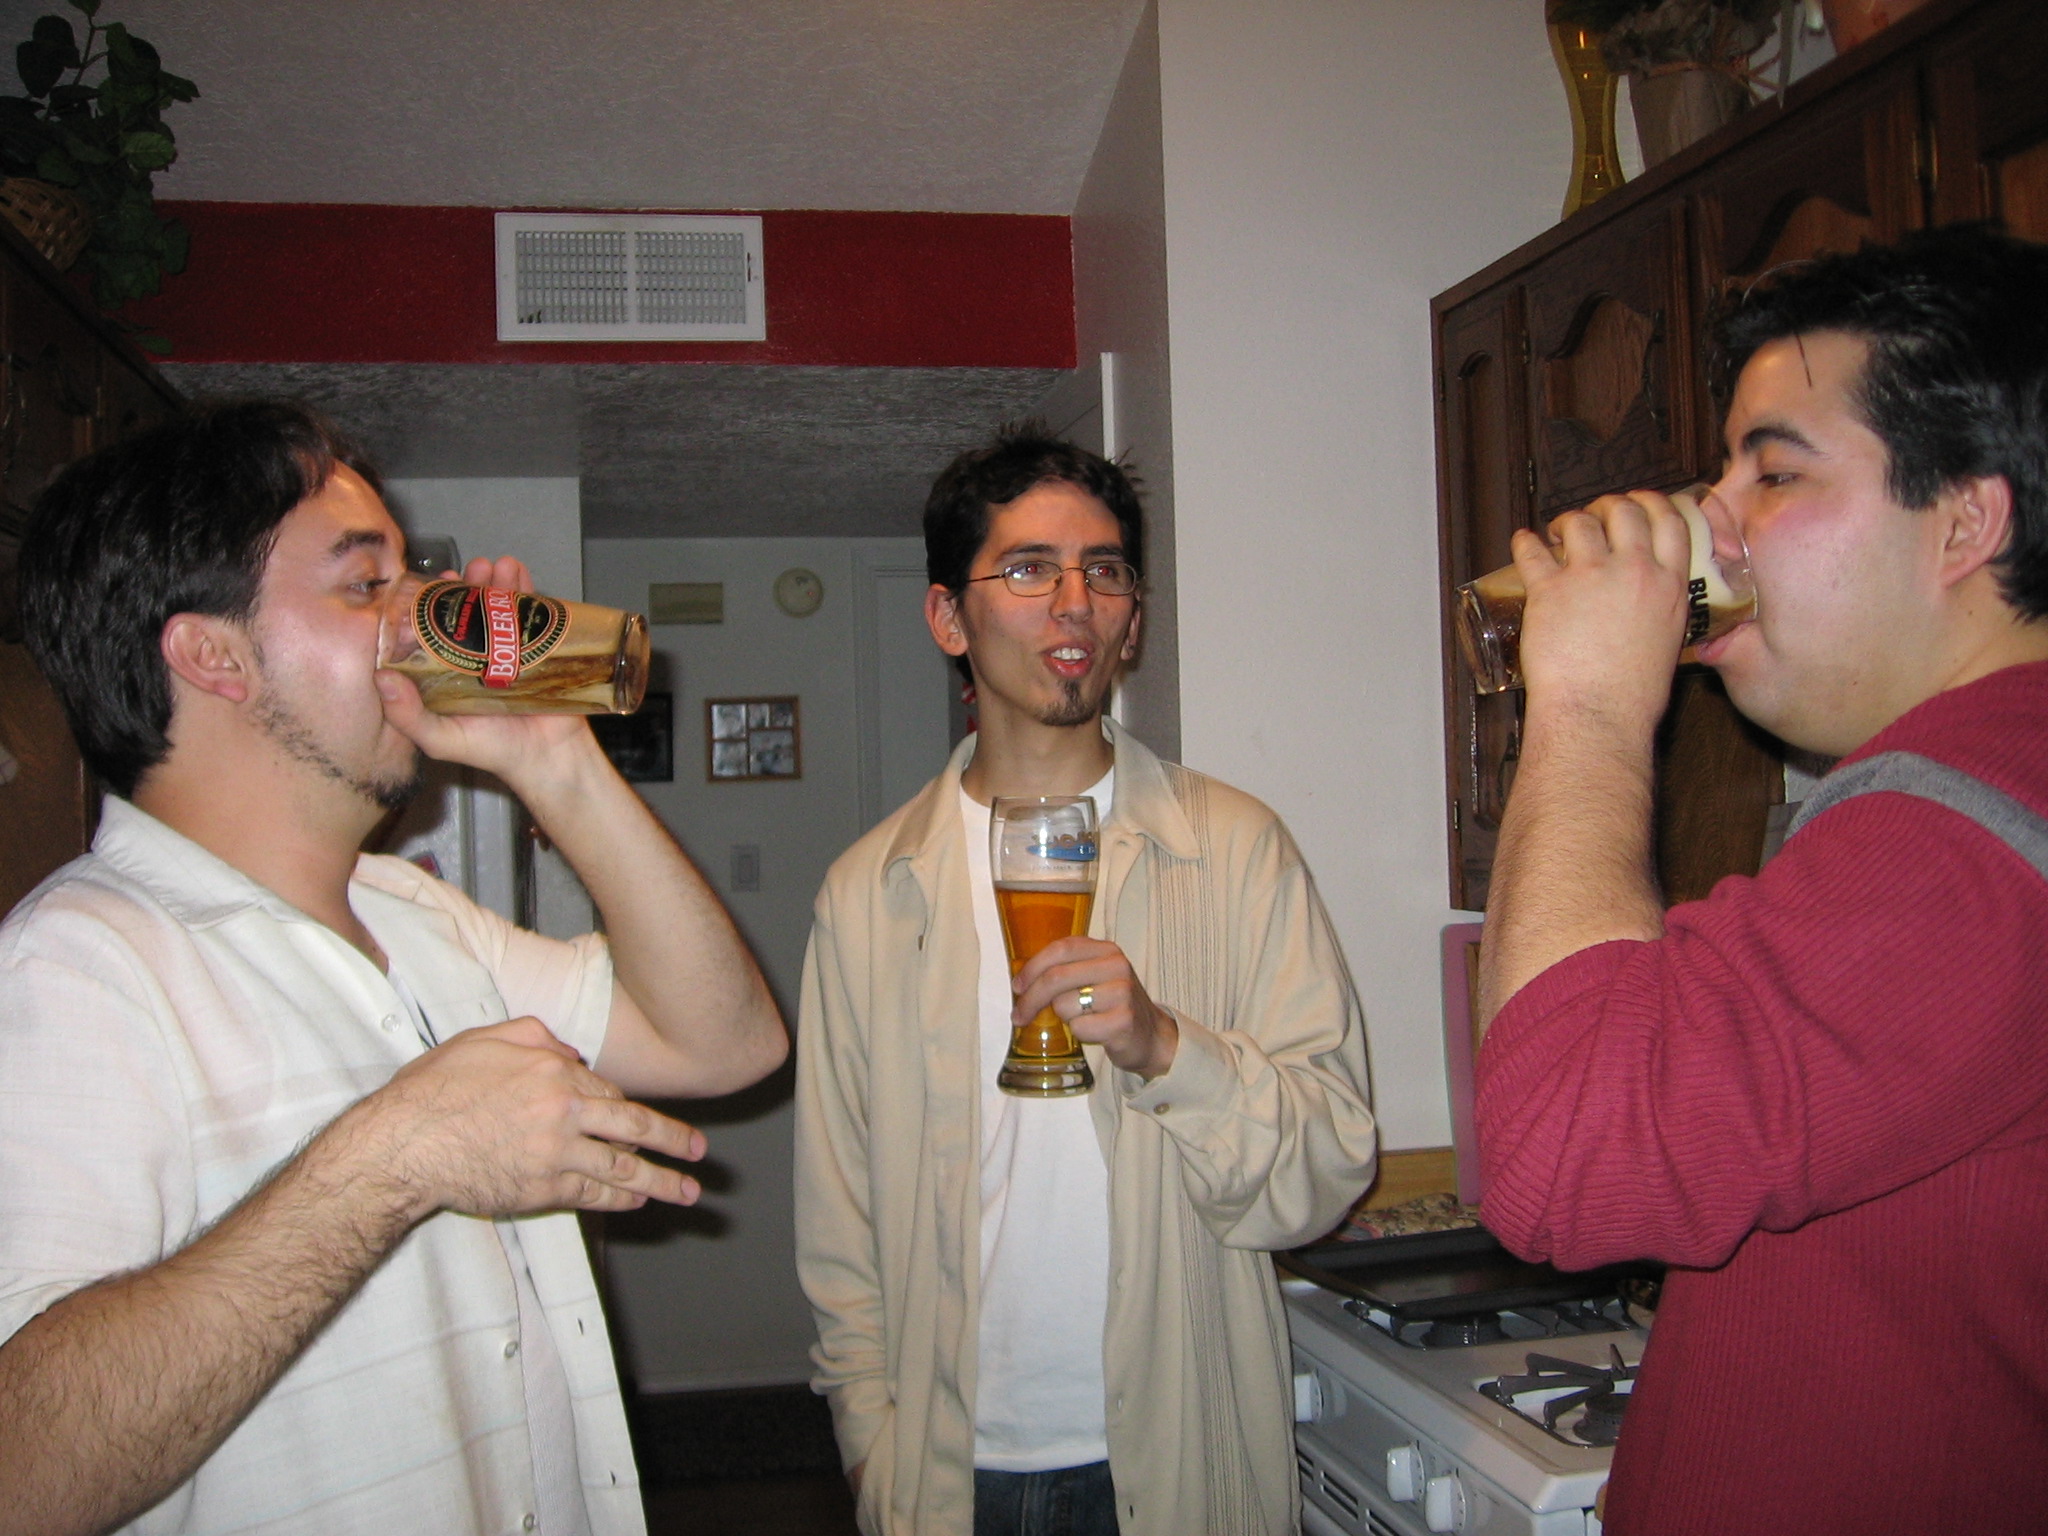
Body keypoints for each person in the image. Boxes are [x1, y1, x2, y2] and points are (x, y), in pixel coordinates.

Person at [0, 401, 787, 1536]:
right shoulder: (74, 971)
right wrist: (394, 1158)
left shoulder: (410, 909)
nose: (414, 617)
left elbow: (726, 1043)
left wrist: (556, 763)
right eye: (362, 585)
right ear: (212, 655)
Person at [1472, 224, 2048, 1535]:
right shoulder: (1965, 797)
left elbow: (1560, 1158)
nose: (1712, 527)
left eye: (1773, 475)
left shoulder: (1970, 821)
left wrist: (1591, 708)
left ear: (1968, 518)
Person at [793, 426, 1377, 1536]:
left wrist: (1168, 1049)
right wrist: (872, 1447)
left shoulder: (1236, 849)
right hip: (950, 1477)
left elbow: (1327, 1169)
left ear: (1133, 619)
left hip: (1184, 1458)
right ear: (945, 619)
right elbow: (839, 1219)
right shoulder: (871, 892)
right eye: (1026, 569)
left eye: (1102, 572)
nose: (1073, 603)